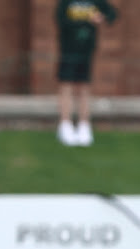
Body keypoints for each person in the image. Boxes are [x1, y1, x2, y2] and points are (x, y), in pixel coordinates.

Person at [55, 0, 118, 147]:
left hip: (87, 51)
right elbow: (60, 20)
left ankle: (84, 125)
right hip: (68, 50)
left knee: (84, 87)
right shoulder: (66, 2)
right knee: (66, 86)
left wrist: (101, 17)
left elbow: (113, 14)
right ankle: (65, 125)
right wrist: (85, 20)